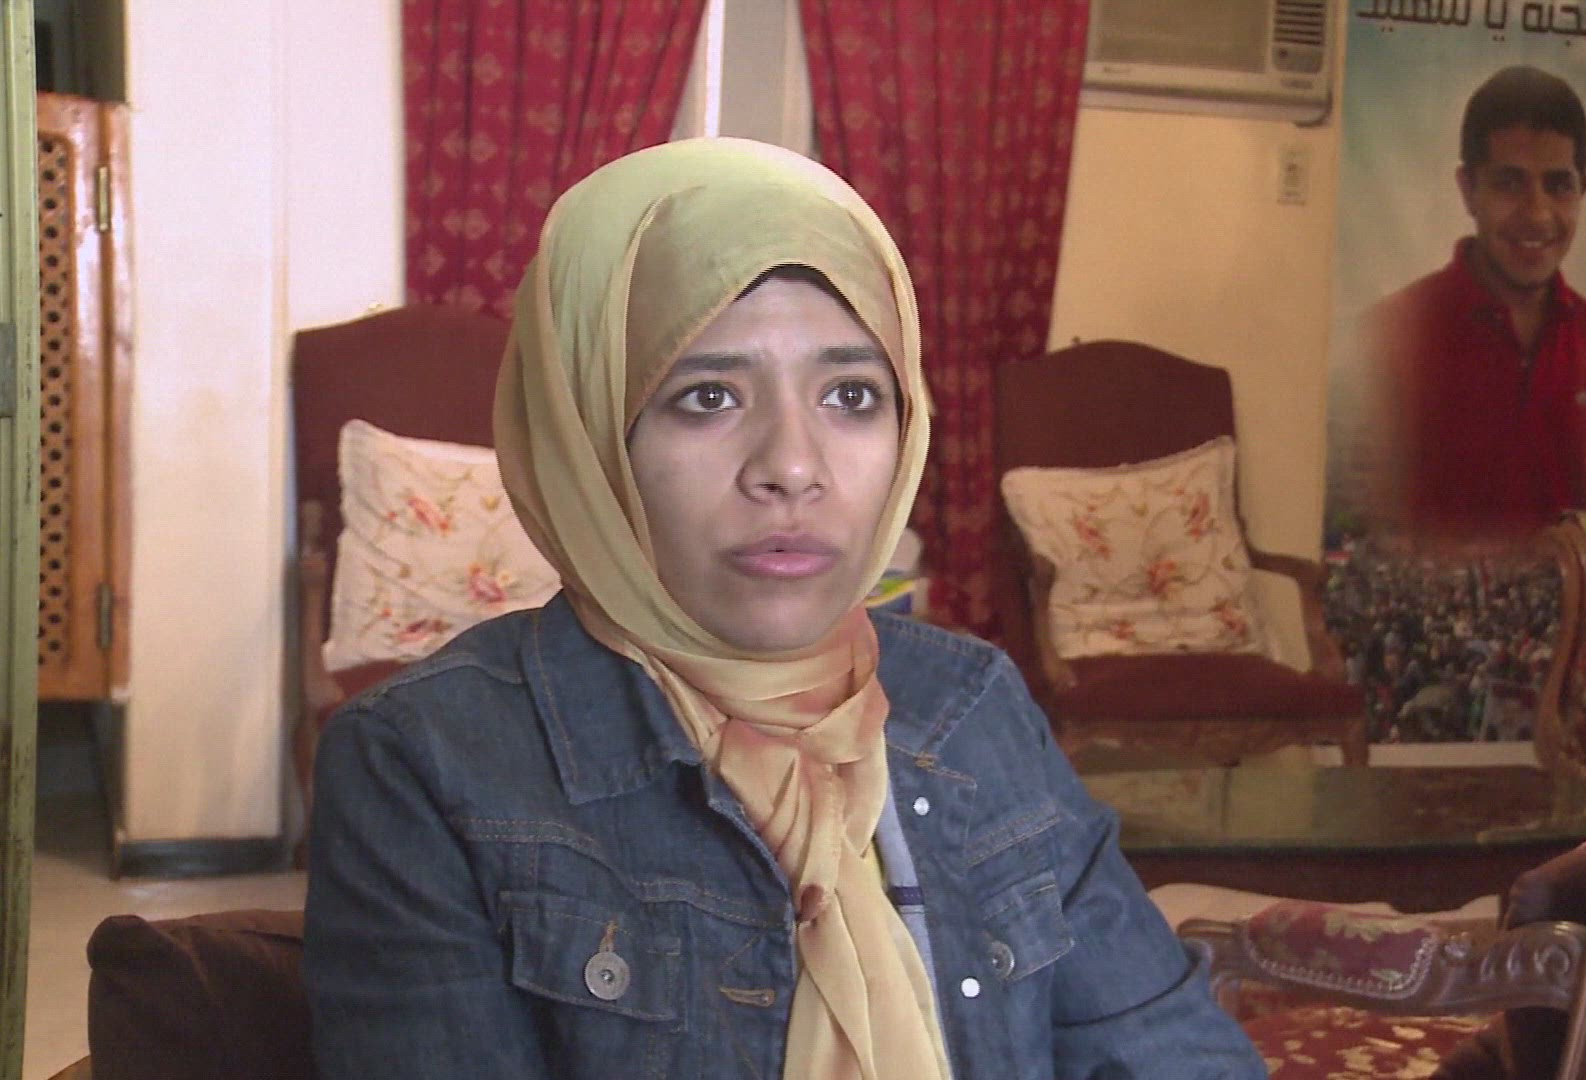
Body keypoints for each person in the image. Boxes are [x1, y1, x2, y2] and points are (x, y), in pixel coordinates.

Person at [302, 137, 1265, 1080]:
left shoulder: (969, 704)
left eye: (851, 394)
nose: (794, 467)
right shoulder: (427, 761)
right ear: (587, 433)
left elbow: (1172, 1049)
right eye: (707, 397)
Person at [1362, 64, 1586, 537]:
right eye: (1509, 182)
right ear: (1469, 190)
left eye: (1558, 185)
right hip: (1430, 588)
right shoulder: (1395, 329)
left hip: (1565, 590)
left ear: (1583, 189)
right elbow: (1374, 523)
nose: (1537, 213)